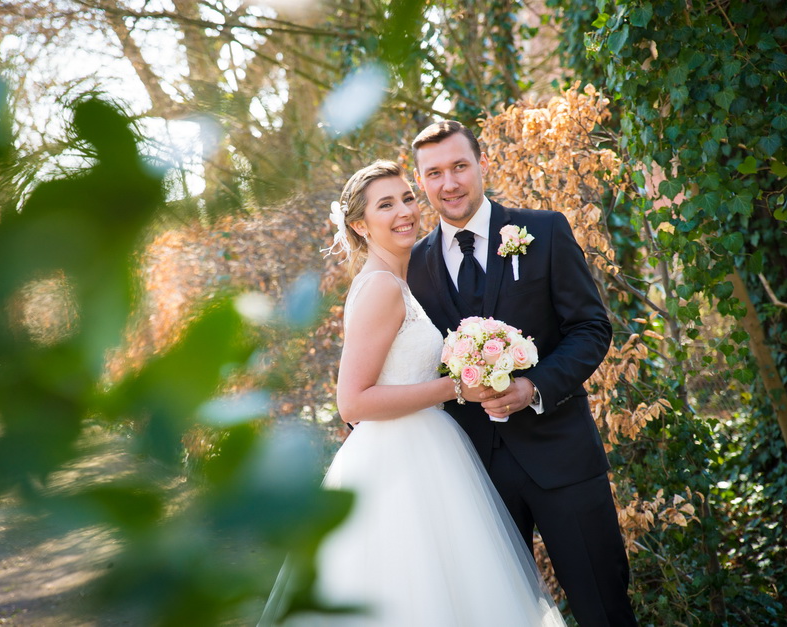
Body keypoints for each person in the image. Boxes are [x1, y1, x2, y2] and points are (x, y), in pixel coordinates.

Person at [260, 160, 564, 626]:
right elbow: (352, 403)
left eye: (406, 198)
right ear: (360, 225)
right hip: (399, 459)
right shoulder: (382, 288)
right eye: (386, 205)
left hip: (428, 446)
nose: (404, 212)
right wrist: (456, 386)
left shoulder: (400, 281)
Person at [406, 120, 637, 626]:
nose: (450, 183)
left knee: (604, 608)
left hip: (562, 459)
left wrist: (535, 386)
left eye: (460, 166)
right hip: (469, 474)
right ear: (420, 181)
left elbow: (591, 327)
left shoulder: (544, 230)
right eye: (435, 173)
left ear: (482, 163)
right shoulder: (412, 265)